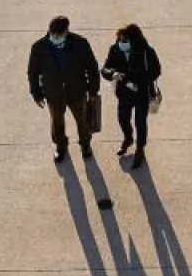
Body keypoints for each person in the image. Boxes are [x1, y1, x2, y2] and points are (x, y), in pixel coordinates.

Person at [28, 15, 101, 162]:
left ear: (66, 31)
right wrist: (36, 94)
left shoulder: (80, 43)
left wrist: (93, 91)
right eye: (53, 34)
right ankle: (60, 146)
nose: (55, 37)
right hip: (53, 94)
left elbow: (92, 68)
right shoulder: (38, 47)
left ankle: (85, 144)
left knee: (82, 121)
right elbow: (33, 72)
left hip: (77, 91)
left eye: (59, 35)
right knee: (57, 122)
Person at [101, 23, 161, 170]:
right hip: (124, 93)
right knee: (123, 118)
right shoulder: (115, 49)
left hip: (141, 94)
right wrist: (112, 74)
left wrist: (138, 83)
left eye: (125, 40)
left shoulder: (147, 52)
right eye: (120, 40)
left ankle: (140, 148)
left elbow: (156, 71)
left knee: (140, 122)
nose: (122, 43)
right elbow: (105, 68)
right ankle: (128, 138)